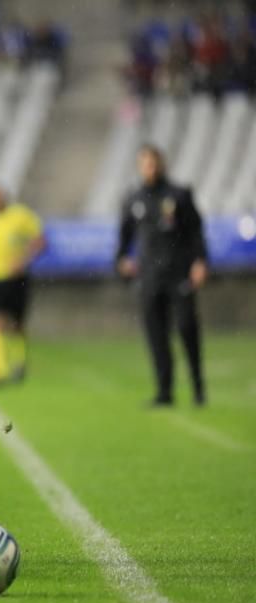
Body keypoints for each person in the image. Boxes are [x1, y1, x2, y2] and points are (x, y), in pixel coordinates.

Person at [116, 145, 208, 407]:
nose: (150, 168)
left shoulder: (178, 194)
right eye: (145, 164)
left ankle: (198, 387)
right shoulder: (133, 198)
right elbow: (124, 236)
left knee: (187, 328)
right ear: (139, 166)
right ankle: (164, 391)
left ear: (161, 164)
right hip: (149, 277)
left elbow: (196, 230)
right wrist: (122, 259)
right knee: (156, 335)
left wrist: (200, 261)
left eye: (153, 163)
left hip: (179, 273)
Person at [0, 181, 46, 383]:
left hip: (17, 278)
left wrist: (24, 260)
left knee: (17, 324)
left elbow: (40, 241)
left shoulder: (20, 216)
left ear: (3, 197)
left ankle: (19, 363)